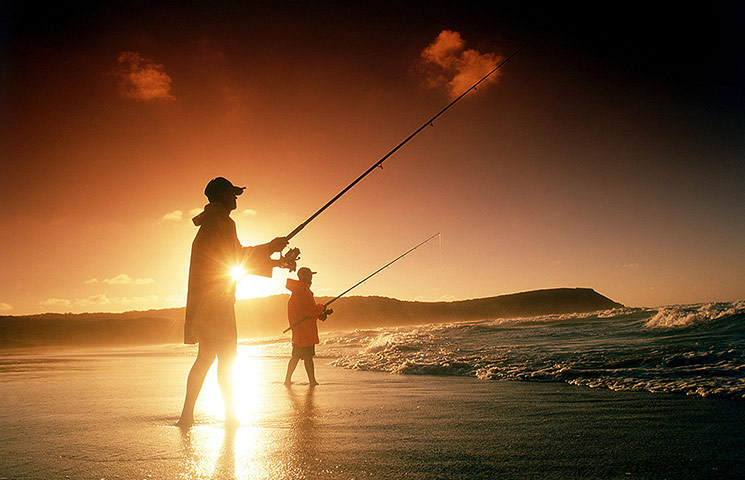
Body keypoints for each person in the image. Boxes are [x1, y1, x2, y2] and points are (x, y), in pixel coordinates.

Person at [178, 176, 289, 428]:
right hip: (217, 303)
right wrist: (271, 247)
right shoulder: (222, 221)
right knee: (226, 358)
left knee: (206, 358)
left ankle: (189, 416)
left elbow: (235, 259)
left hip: (209, 303)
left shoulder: (212, 222)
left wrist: (275, 260)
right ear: (222, 195)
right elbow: (237, 257)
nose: (236, 198)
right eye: (233, 193)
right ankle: (228, 417)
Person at [284, 267, 332, 386]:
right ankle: (308, 381)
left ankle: (291, 380)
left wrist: (320, 315)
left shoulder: (302, 290)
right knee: (303, 357)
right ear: (304, 276)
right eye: (310, 275)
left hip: (304, 330)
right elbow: (306, 310)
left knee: (300, 356)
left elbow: (307, 311)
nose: (311, 278)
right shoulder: (301, 291)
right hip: (303, 331)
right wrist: (320, 308)